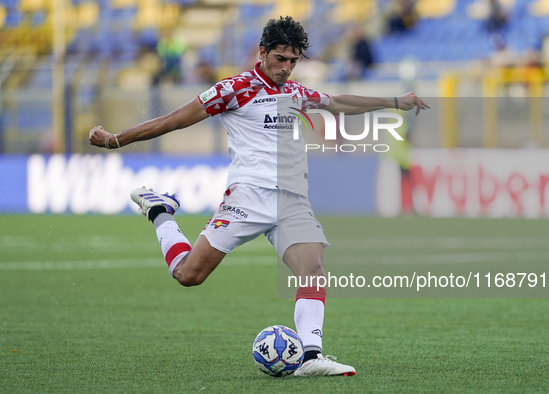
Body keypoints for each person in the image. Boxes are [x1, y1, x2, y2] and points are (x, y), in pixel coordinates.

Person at [89, 16, 430, 377]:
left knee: (312, 270)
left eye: (293, 61)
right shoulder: (234, 89)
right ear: (262, 52)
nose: (286, 68)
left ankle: (311, 356)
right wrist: (116, 139)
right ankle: (160, 211)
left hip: (293, 201)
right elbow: (175, 119)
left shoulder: (297, 93)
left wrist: (394, 100)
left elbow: (339, 102)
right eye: (280, 59)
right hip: (247, 198)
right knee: (189, 274)